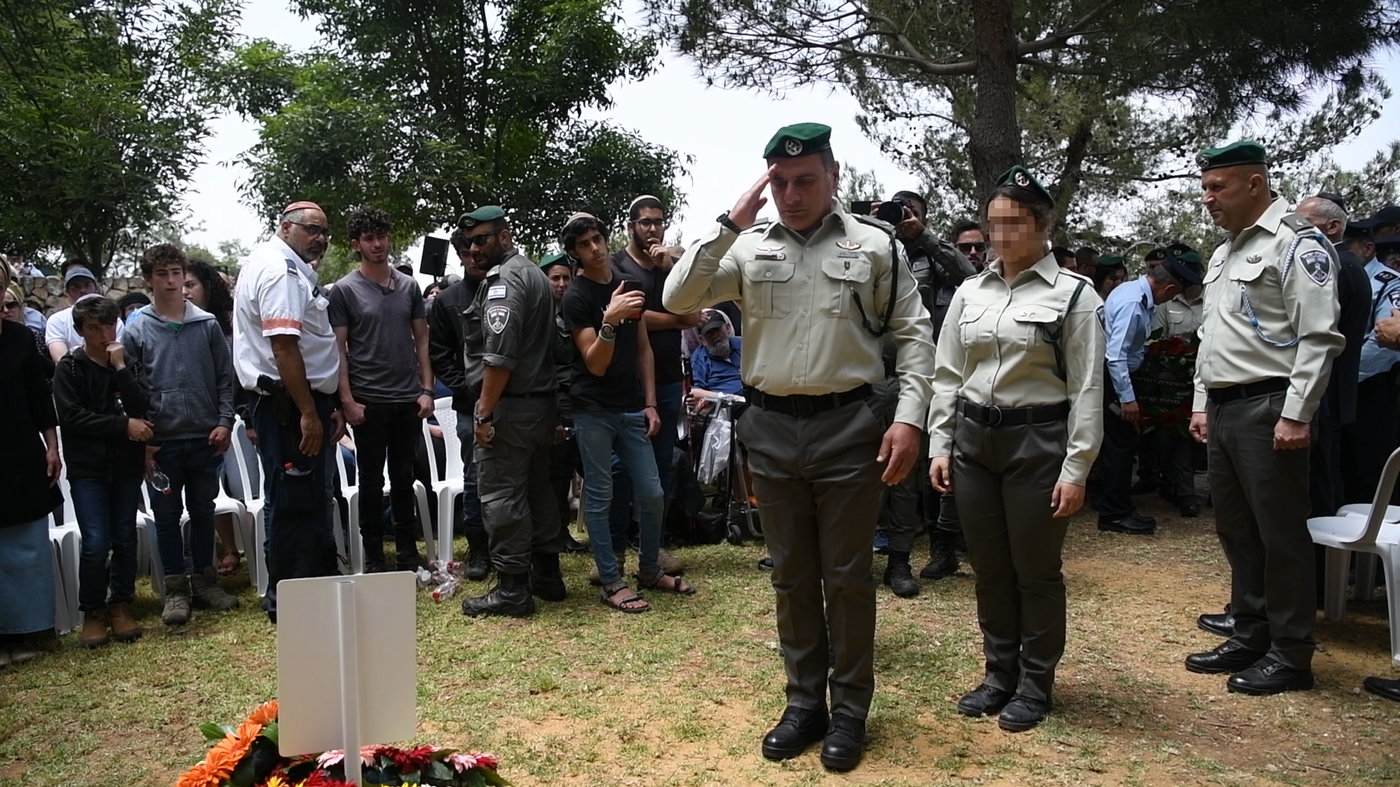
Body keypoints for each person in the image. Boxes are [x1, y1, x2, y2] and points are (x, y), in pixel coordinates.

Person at [663, 123, 934, 771]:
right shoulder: (749, 247)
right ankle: (803, 702)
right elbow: (678, 296)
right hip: (772, 428)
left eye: (804, 180)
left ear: (833, 176)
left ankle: (850, 711)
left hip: (849, 428)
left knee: (845, 577)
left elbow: (915, 336)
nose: (791, 194)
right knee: (790, 576)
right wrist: (730, 221)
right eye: (779, 182)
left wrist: (911, 418)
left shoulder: (874, 246)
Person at [927, 165, 1105, 733]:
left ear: (1042, 224)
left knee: (1035, 570)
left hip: (1039, 441)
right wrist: (940, 442)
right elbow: (948, 374)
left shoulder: (1074, 295)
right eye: (993, 225)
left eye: (1013, 224)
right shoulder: (969, 292)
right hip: (976, 441)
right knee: (990, 568)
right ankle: (998, 674)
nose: (1000, 237)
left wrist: (1076, 469)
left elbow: (1086, 390)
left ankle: (1035, 683)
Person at [1184, 141, 1343, 696]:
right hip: (1227, 407)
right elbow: (1212, 336)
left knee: (1280, 536)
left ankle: (1291, 652)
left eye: (1217, 187)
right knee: (1237, 530)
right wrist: (1203, 402)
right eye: (1204, 187)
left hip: (1271, 405)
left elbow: (1319, 337)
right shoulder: (1225, 252)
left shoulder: (1296, 243)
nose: (1208, 198)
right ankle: (1249, 632)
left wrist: (1297, 414)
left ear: (1255, 184)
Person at [565, 212, 694, 616]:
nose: (596, 248)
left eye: (598, 239)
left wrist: (651, 403)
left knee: (653, 493)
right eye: (585, 244)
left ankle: (650, 569)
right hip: (593, 410)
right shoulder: (577, 296)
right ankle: (610, 579)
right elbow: (595, 363)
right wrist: (609, 320)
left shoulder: (628, 285)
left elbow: (643, 349)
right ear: (576, 254)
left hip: (631, 408)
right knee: (601, 497)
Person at [233, 200, 344, 622]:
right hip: (288, 404)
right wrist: (308, 412)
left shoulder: (287, 266)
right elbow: (283, 347)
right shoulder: (279, 270)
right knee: (295, 500)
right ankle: (293, 601)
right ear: (285, 227)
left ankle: (312, 587)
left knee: (310, 497)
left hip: (301, 400)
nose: (319, 238)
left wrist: (323, 403)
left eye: (323, 231)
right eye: (311, 229)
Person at [456, 206, 567, 618]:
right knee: (539, 493)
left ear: (504, 236)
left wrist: (483, 415)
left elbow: (499, 357)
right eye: (469, 242)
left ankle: (513, 589)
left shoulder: (504, 281)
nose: (473, 248)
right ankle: (548, 575)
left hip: (511, 409)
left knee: (502, 495)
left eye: (482, 239)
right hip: (539, 408)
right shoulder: (535, 274)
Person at [121, 243, 241, 625]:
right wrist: (143, 439)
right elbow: (127, 387)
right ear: (149, 279)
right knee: (167, 515)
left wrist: (225, 421)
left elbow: (225, 378)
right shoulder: (137, 328)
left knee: (204, 510)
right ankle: (175, 587)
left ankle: (204, 580)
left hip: (206, 436)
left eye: (176, 273)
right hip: (162, 442)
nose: (171, 281)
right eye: (162, 274)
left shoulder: (205, 324)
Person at [329, 206, 435, 573]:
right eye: (369, 239)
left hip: (407, 397)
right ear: (356, 244)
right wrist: (347, 400)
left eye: (382, 236)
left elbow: (422, 339)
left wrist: (427, 389)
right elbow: (338, 350)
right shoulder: (344, 290)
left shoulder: (408, 286)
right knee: (371, 480)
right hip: (368, 400)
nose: (377, 244)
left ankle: (408, 550)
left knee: (405, 476)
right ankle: (373, 555)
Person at [53, 295, 153, 647]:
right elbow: (71, 417)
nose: (103, 333)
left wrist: (122, 368)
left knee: (125, 536)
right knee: (96, 542)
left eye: (109, 324)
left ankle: (121, 604)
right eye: (94, 327)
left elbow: (143, 406)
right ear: (81, 331)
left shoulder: (126, 362)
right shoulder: (70, 367)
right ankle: (92, 610)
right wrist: (122, 425)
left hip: (125, 466)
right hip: (88, 468)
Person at [608, 196, 701, 576]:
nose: (652, 229)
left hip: (666, 379)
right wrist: (674, 319)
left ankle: (654, 548)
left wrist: (673, 265)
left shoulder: (670, 267)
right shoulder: (616, 265)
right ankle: (613, 552)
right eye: (645, 222)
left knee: (661, 468)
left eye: (658, 222)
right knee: (619, 470)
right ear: (631, 226)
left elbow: (694, 313)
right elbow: (632, 314)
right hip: (623, 381)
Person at [1098, 258, 1201, 535]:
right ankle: (1114, 513)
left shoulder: (1131, 291)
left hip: (1121, 380)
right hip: (1117, 382)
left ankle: (1118, 507)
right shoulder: (1134, 304)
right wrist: (1127, 398)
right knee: (1120, 447)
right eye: (1175, 293)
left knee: (1121, 444)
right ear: (1168, 288)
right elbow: (1116, 356)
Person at [0, 261, 63, 666]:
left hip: (21, 454)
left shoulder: (22, 338)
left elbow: (41, 400)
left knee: (25, 547)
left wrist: (52, 446)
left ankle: (26, 631)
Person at [427, 226, 490, 579]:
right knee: (474, 477)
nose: (474, 257)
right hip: (469, 404)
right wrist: (465, 389)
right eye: (466, 253)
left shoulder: (506, 288)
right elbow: (440, 354)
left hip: (512, 402)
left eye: (478, 249)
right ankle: (479, 551)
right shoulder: (447, 300)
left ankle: (509, 548)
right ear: (460, 256)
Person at [183, 257, 244, 576]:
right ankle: (230, 548)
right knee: (215, 485)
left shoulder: (231, 324)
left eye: (190, 284)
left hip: (239, 413)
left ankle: (257, 543)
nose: (184, 292)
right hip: (205, 420)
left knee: (245, 483)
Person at [1147, 250, 1206, 517]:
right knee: (1177, 436)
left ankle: (1203, 491)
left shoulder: (1213, 300)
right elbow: (1156, 343)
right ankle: (1182, 491)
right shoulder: (1166, 303)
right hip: (1173, 381)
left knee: (1206, 438)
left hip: (1207, 378)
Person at [539, 252, 588, 554]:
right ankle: (557, 533)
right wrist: (555, 415)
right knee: (558, 473)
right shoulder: (540, 318)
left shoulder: (577, 313)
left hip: (584, 399)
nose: (561, 284)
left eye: (565, 278)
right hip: (558, 403)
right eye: (554, 278)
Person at [45, 264, 124, 363]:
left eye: (87, 285)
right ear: (67, 292)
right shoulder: (57, 320)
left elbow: (117, 353)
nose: (83, 290)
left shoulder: (114, 320)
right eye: (76, 287)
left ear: (96, 287)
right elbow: (61, 360)